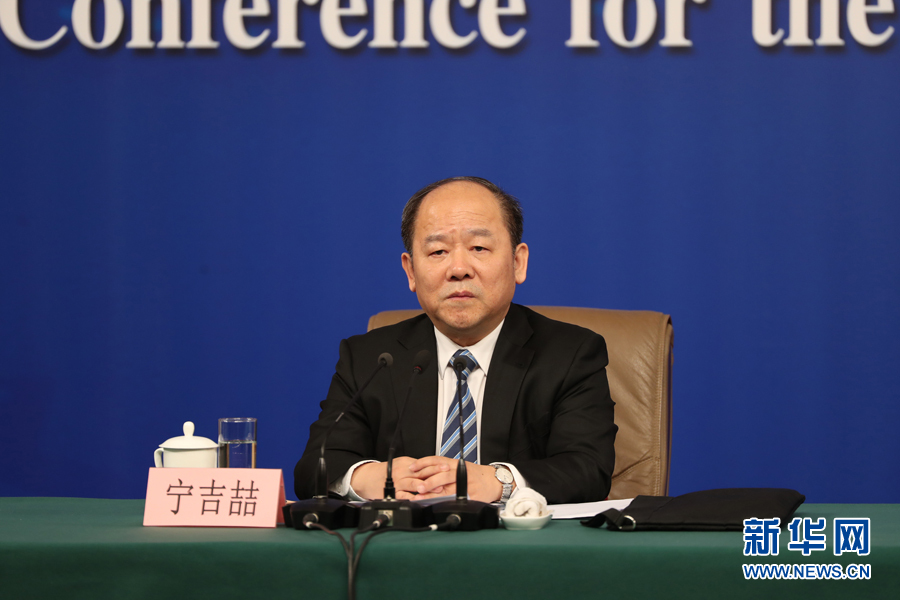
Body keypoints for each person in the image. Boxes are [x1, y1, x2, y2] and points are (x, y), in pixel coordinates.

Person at [294, 176, 617, 505]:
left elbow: (588, 469)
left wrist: (498, 480)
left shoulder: (570, 354)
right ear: (410, 271)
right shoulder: (371, 358)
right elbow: (312, 468)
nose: (459, 269)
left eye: (479, 248)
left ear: (518, 262)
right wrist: (365, 478)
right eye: (438, 251)